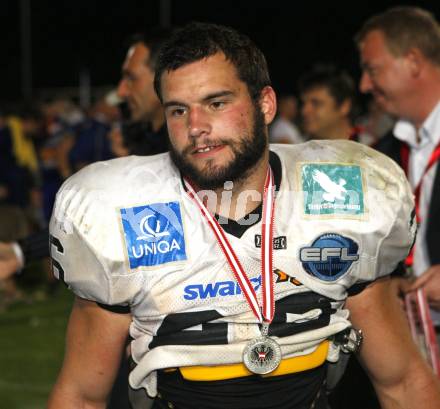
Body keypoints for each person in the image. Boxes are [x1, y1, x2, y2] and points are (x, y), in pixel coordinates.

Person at [48, 22, 439, 409]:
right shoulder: (122, 215)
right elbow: (82, 396)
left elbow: (402, 381)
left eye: (216, 103)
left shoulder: (341, 200)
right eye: (178, 110)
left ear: (265, 104)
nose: (196, 127)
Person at [356, 6, 440, 310]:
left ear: (413, 61)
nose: (364, 85)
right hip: (415, 341)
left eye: (373, 69)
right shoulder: (384, 153)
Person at [299, 64, 374, 145]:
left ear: (344, 106)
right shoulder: (294, 153)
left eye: (316, 103)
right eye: (303, 103)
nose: (304, 111)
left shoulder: (373, 151)